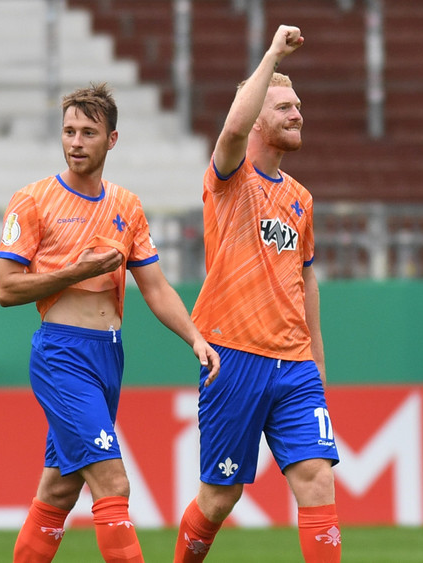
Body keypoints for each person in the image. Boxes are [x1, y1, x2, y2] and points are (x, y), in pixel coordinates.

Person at [0, 83, 220, 563]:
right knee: (113, 482)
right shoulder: (32, 200)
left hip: (108, 356)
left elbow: (155, 288)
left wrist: (194, 337)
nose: (75, 142)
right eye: (69, 131)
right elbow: (5, 288)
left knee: (58, 490)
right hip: (62, 355)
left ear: (111, 140)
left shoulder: (127, 206)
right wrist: (78, 270)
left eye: (88, 132)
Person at [172, 25, 341, 563]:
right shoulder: (229, 177)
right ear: (258, 119)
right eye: (285, 106)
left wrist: (315, 355)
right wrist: (271, 55)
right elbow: (229, 131)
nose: (298, 114)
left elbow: (306, 277)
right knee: (220, 498)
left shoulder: (300, 199)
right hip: (233, 355)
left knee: (317, 480)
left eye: (298, 106)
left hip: (293, 363)